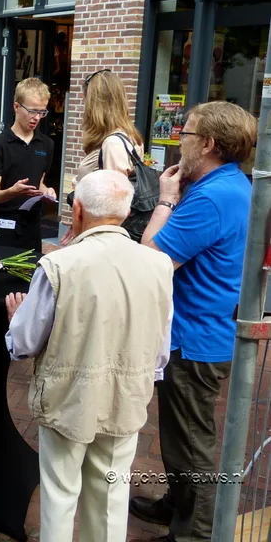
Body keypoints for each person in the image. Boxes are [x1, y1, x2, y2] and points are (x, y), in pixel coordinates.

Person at [5, 170, 174, 542]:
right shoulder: (158, 265)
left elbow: (25, 343)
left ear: (77, 210)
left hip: (67, 398)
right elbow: (161, 347)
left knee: (60, 493)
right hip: (126, 395)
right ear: (127, 214)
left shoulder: (59, 265)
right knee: (112, 496)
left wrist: (15, 320)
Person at [129, 101, 258, 542]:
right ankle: (177, 506)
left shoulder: (213, 197)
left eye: (185, 134)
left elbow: (152, 260)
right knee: (181, 438)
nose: (178, 142)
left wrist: (165, 201)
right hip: (197, 333)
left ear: (206, 144)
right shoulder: (228, 185)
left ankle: (195, 533)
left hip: (194, 340)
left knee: (192, 445)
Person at [62, 69, 145, 245]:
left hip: (99, 238)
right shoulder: (129, 138)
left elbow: (114, 203)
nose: (83, 106)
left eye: (86, 100)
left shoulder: (113, 143)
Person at [0, 77, 57, 252]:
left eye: (42, 112)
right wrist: (12, 191)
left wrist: (46, 190)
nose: (37, 118)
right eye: (32, 111)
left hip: (32, 224)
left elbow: (39, 181)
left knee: (31, 274)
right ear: (16, 107)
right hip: (4, 223)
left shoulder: (46, 144)